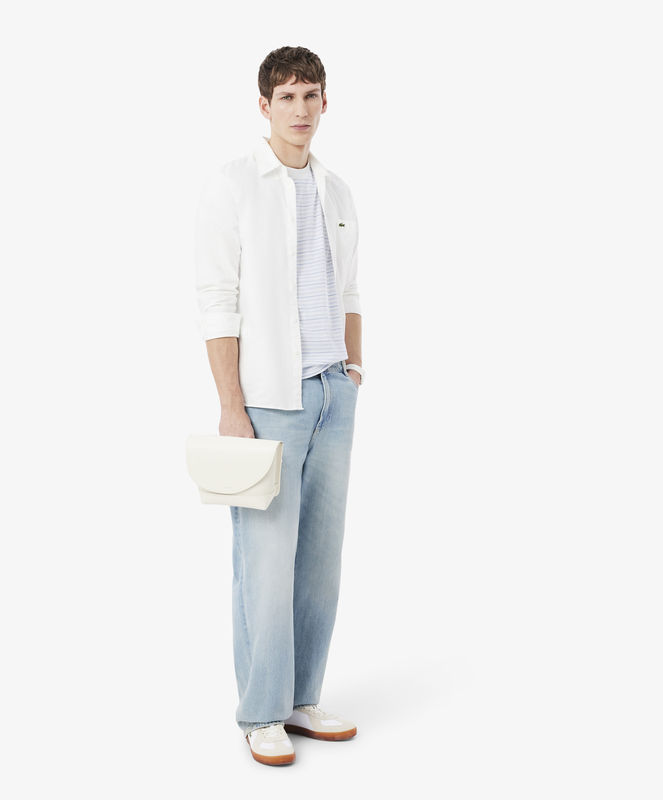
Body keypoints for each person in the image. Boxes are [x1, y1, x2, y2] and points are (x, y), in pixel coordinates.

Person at [194, 45, 365, 766]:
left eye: (311, 95)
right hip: (269, 401)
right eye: (287, 97)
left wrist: (353, 369)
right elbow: (217, 299)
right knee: (264, 564)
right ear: (264, 105)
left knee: (319, 564)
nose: (301, 109)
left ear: (326, 102)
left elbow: (349, 290)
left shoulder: (337, 190)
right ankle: (260, 710)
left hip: (332, 395)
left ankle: (299, 698)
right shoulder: (235, 185)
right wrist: (231, 406)